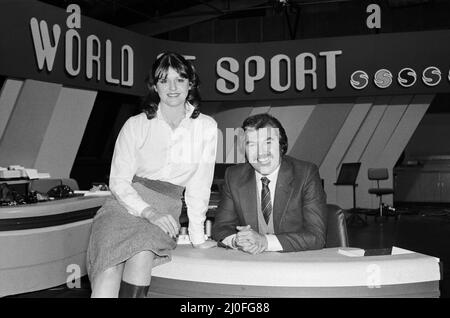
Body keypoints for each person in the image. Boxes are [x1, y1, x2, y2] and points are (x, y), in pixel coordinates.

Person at [86, 52, 218, 298]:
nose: (172, 87)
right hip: (123, 207)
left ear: (190, 84)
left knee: (142, 252)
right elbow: (118, 181)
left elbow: (200, 184)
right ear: (154, 86)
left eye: (179, 79)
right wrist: (149, 212)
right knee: (109, 266)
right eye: (164, 80)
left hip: (166, 207)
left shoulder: (206, 127)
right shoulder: (135, 125)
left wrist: (197, 236)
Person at [211, 113, 327, 254]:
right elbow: (221, 227)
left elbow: (316, 236)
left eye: (268, 142)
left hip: (294, 263)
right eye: (252, 144)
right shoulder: (234, 176)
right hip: (252, 264)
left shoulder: (306, 174)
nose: (261, 153)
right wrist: (238, 240)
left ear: (281, 145)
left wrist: (265, 242)